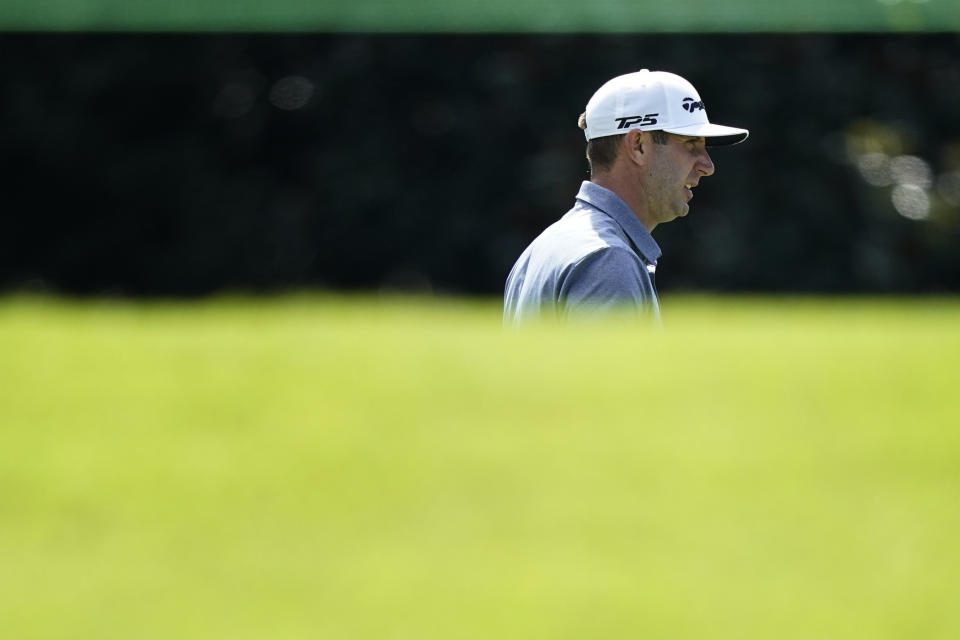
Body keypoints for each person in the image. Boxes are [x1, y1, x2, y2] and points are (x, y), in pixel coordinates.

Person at [503, 69, 749, 326]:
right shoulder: (608, 259)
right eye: (690, 144)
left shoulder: (543, 246)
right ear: (638, 145)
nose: (707, 166)